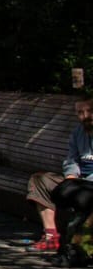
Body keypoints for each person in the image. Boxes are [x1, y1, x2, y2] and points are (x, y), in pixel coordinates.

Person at [26, 99, 93, 252]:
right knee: (40, 180)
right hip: (78, 181)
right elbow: (71, 159)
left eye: (89, 111)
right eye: (80, 113)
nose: (85, 116)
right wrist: (71, 176)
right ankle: (51, 237)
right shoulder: (78, 132)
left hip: (89, 184)